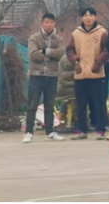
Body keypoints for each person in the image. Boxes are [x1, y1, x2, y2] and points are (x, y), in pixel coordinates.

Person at [66, 7, 109, 140]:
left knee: (99, 104)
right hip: (80, 75)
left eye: (91, 15)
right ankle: (81, 130)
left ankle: (100, 130)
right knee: (80, 104)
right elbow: (69, 50)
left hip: (97, 74)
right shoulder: (76, 33)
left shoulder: (102, 32)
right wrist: (75, 62)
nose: (88, 18)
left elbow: (107, 50)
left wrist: (97, 63)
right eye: (85, 15)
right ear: (81, 18)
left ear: (95, 17)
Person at [24, 12, 65, 143]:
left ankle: (50, 131)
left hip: (52, 76)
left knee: (50, 105)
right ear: (42, 23)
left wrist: (45, 51)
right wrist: (51, 56)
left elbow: (60, 53)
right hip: (36, 75)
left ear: (54, 24)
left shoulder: (59, 39)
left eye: (51, 23)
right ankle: (29, 132)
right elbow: (33, 55)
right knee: (32, 104)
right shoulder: (34, 38)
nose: (49, 25)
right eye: (47, 22)